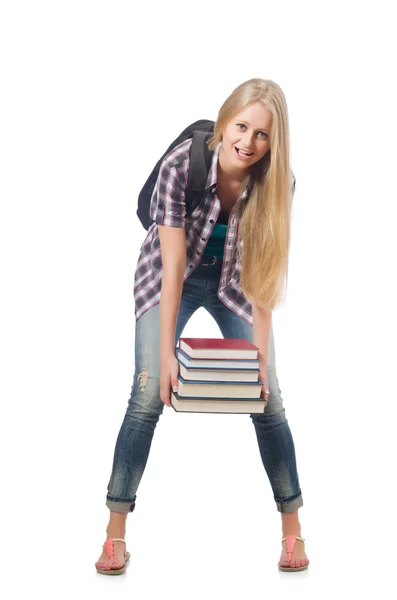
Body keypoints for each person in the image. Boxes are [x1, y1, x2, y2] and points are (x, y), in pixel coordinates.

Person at [95, 78, 310, 575]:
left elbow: (264, 269)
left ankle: (293, 530)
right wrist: (168, 357)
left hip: (236, 283)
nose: (249, 142)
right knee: (147, 393)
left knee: (269, 396)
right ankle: (114, 535)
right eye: (242, 127)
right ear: (223, 121)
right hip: (173, 276)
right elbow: (173, 267)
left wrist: (259, 356)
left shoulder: (277, 182)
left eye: (263, 135)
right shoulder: (181, 166)